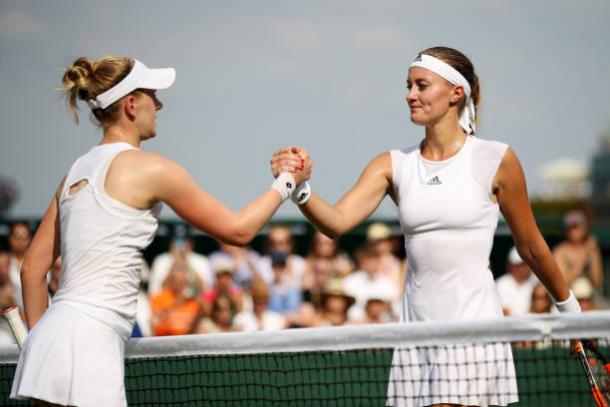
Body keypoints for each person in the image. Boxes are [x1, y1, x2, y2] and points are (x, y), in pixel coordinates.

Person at [271, 46, 578, 407]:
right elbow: (337, 223)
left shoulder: (496, 159)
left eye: (421, 85)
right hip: (416, 330)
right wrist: (299, 189)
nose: (409, 95)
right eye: (408, 85)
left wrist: (571, 311)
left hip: (474, 325)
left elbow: (530, 246)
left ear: (456, 93)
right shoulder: (392, 164)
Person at [11, 55, 311, 406]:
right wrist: (288, 181)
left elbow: (32, 271)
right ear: (131, 105)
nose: (160, 103)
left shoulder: (75, 171)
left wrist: (41, 344)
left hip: (49, 339)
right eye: (153, 94)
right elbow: (240, 232)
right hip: (90, 341)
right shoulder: (153, 169)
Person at [148, 224, 213, 296]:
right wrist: (174, 265)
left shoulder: (202, 260)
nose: (181, 246)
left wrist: (187, 264)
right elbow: (154, 292)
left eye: (184, 241)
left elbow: (207, 291)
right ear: (171, 243)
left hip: (192, 304)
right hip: (168, 303)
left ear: (191, 243)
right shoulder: (160, 260)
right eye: (176, 241)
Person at [552, 209, 603, 289]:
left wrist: (593, 255)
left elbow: (597, 282)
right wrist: (582, 260)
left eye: (576, 226)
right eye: (570, 227)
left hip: (588, 298)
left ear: (585, 227)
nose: (573, 230)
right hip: (570, 298)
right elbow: (562, 283)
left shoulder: (592, 248)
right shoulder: (560, 251)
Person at [150, 261, 201, 336]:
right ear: (170, 281)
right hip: (165, 339)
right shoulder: (159, 298)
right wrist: (175, 304)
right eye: (176, 280)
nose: (179, 285)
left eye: (182, 281)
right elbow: (155, 322)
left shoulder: (193, 301)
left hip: (188, 340)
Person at [495, 247, 539, 316]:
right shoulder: (501, 284)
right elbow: (504, 312)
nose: (523, 268)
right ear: (511, 265)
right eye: (520, 265)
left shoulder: (536, 283)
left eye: (526, 264)